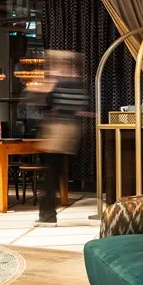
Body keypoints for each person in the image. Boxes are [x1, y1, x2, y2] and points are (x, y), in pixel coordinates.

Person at [31, 50, 86, 227]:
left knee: (50, 175)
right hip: (71, 133)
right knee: (55, 174)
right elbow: (80, 107)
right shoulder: (77, 83)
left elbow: (43, 104)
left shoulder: (57, 83)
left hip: (56, 133)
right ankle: (47, 213)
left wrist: (39, 90)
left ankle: (47, 215)